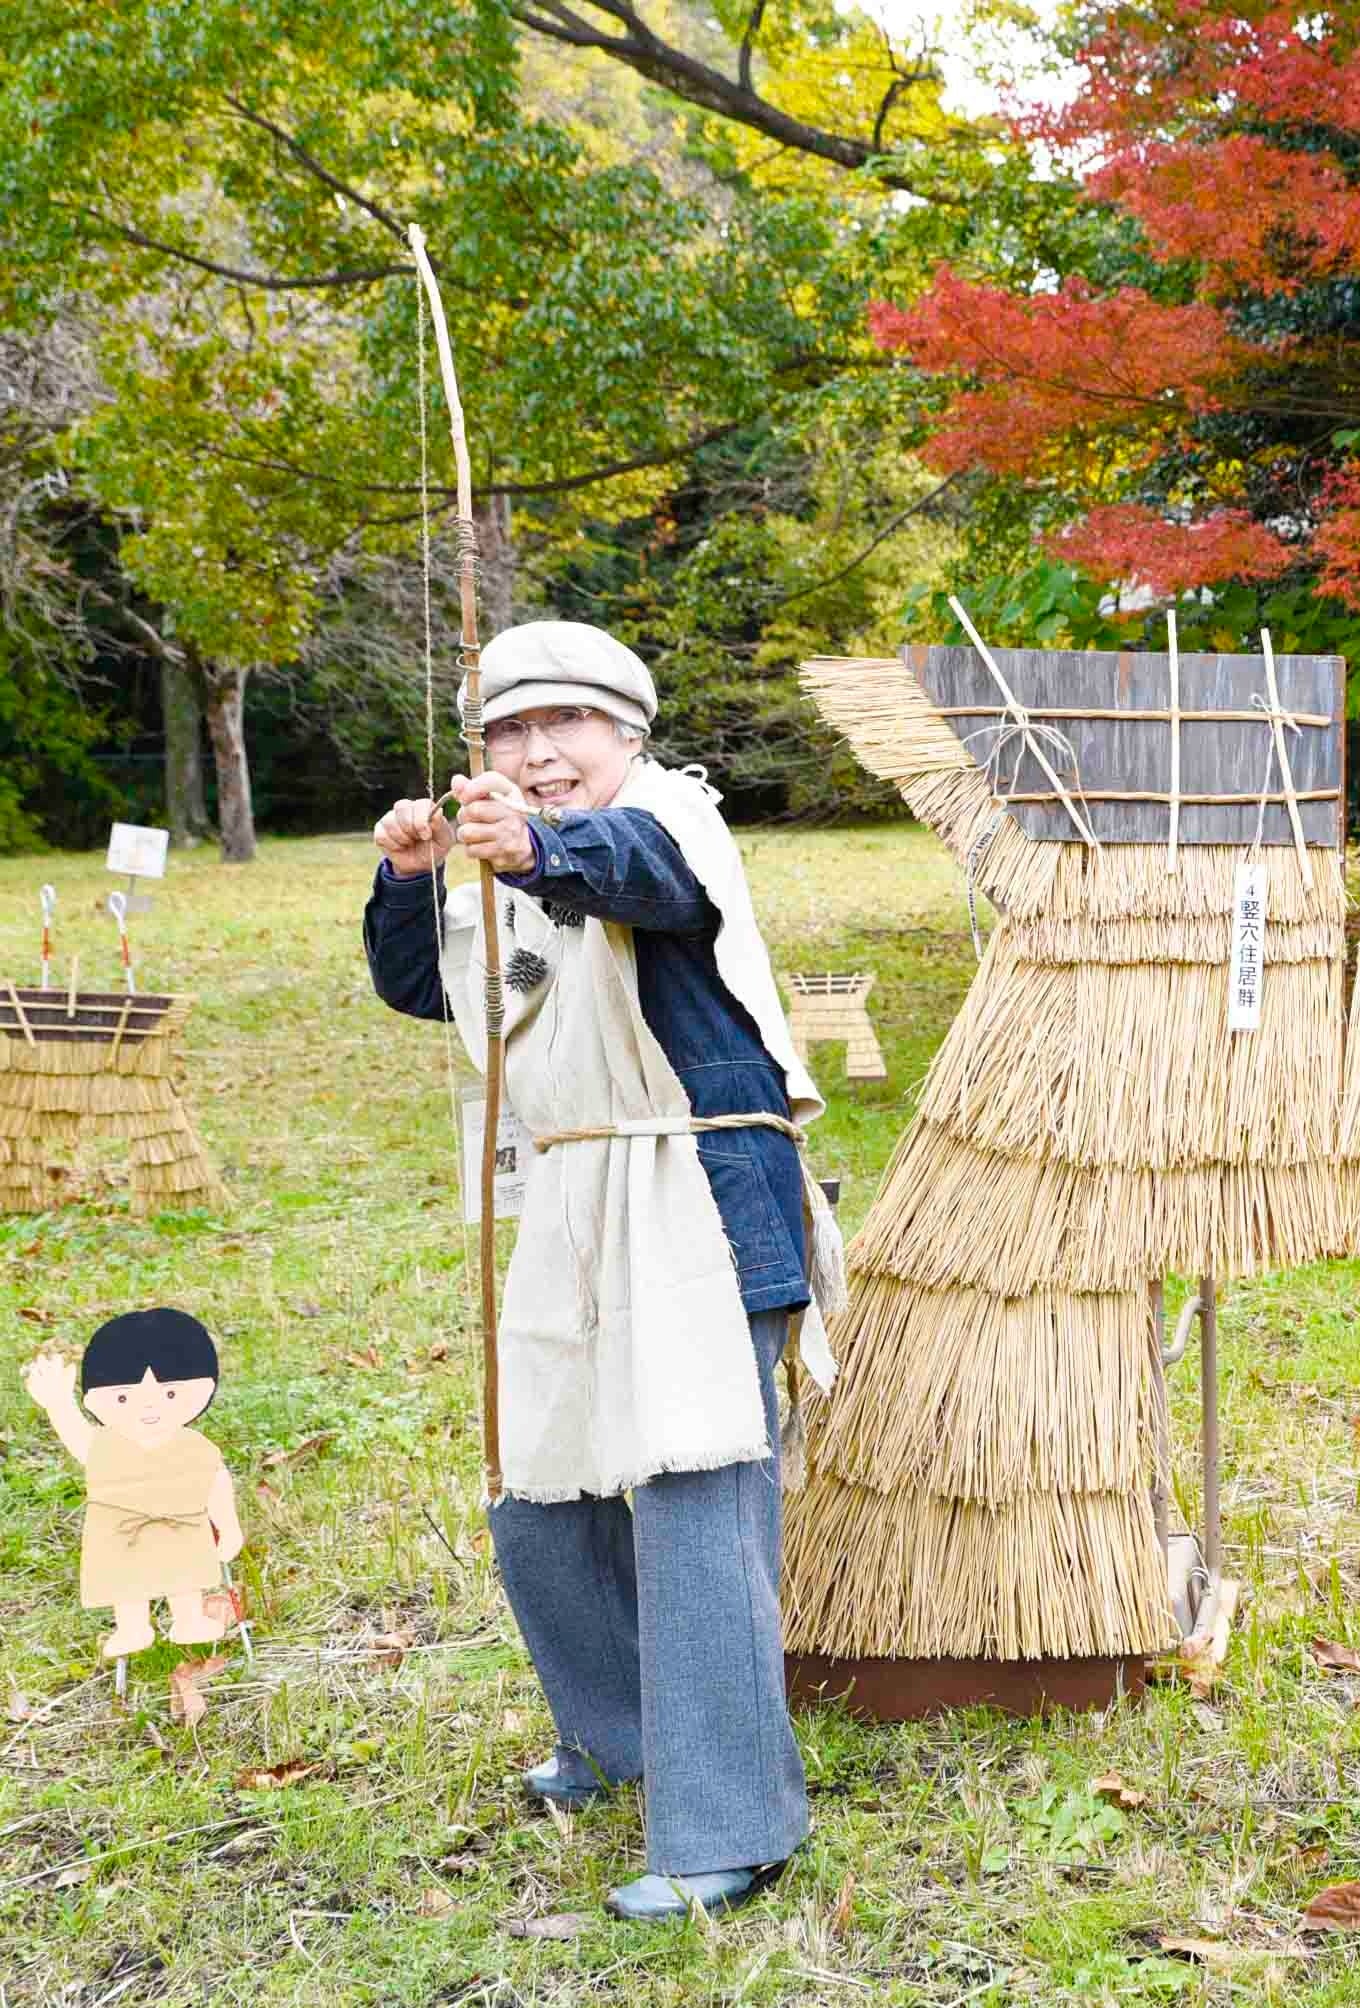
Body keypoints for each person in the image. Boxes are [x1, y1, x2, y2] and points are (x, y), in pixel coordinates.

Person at [363, 622, 842, 1922]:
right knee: (541, 1486)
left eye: (562, 725)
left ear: (626, 733)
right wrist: (414, 876)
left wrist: (535, 844)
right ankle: (620, 1732)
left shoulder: (671, 823)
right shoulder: (506, 854)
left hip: (703, 1185)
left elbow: (636, 879)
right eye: (507, 732)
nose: (535, 753)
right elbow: (425, 988)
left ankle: (730, 1824)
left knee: (694, 1496)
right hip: (575, 1195)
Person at [21, 1308, 241, 1659]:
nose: (149, 1408)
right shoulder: (105, 1445)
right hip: (121, 1531)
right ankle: (132, 1627)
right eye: (123, 1398)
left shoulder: (196, 1447)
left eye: (170, 1394)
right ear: (95, 1400)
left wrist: (229, 1529)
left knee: (183, 1572)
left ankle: (189, 1618)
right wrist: (59, 1404)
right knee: (127, 1581)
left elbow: (216, 1483)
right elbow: (78, 1437)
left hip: (181, 1525)